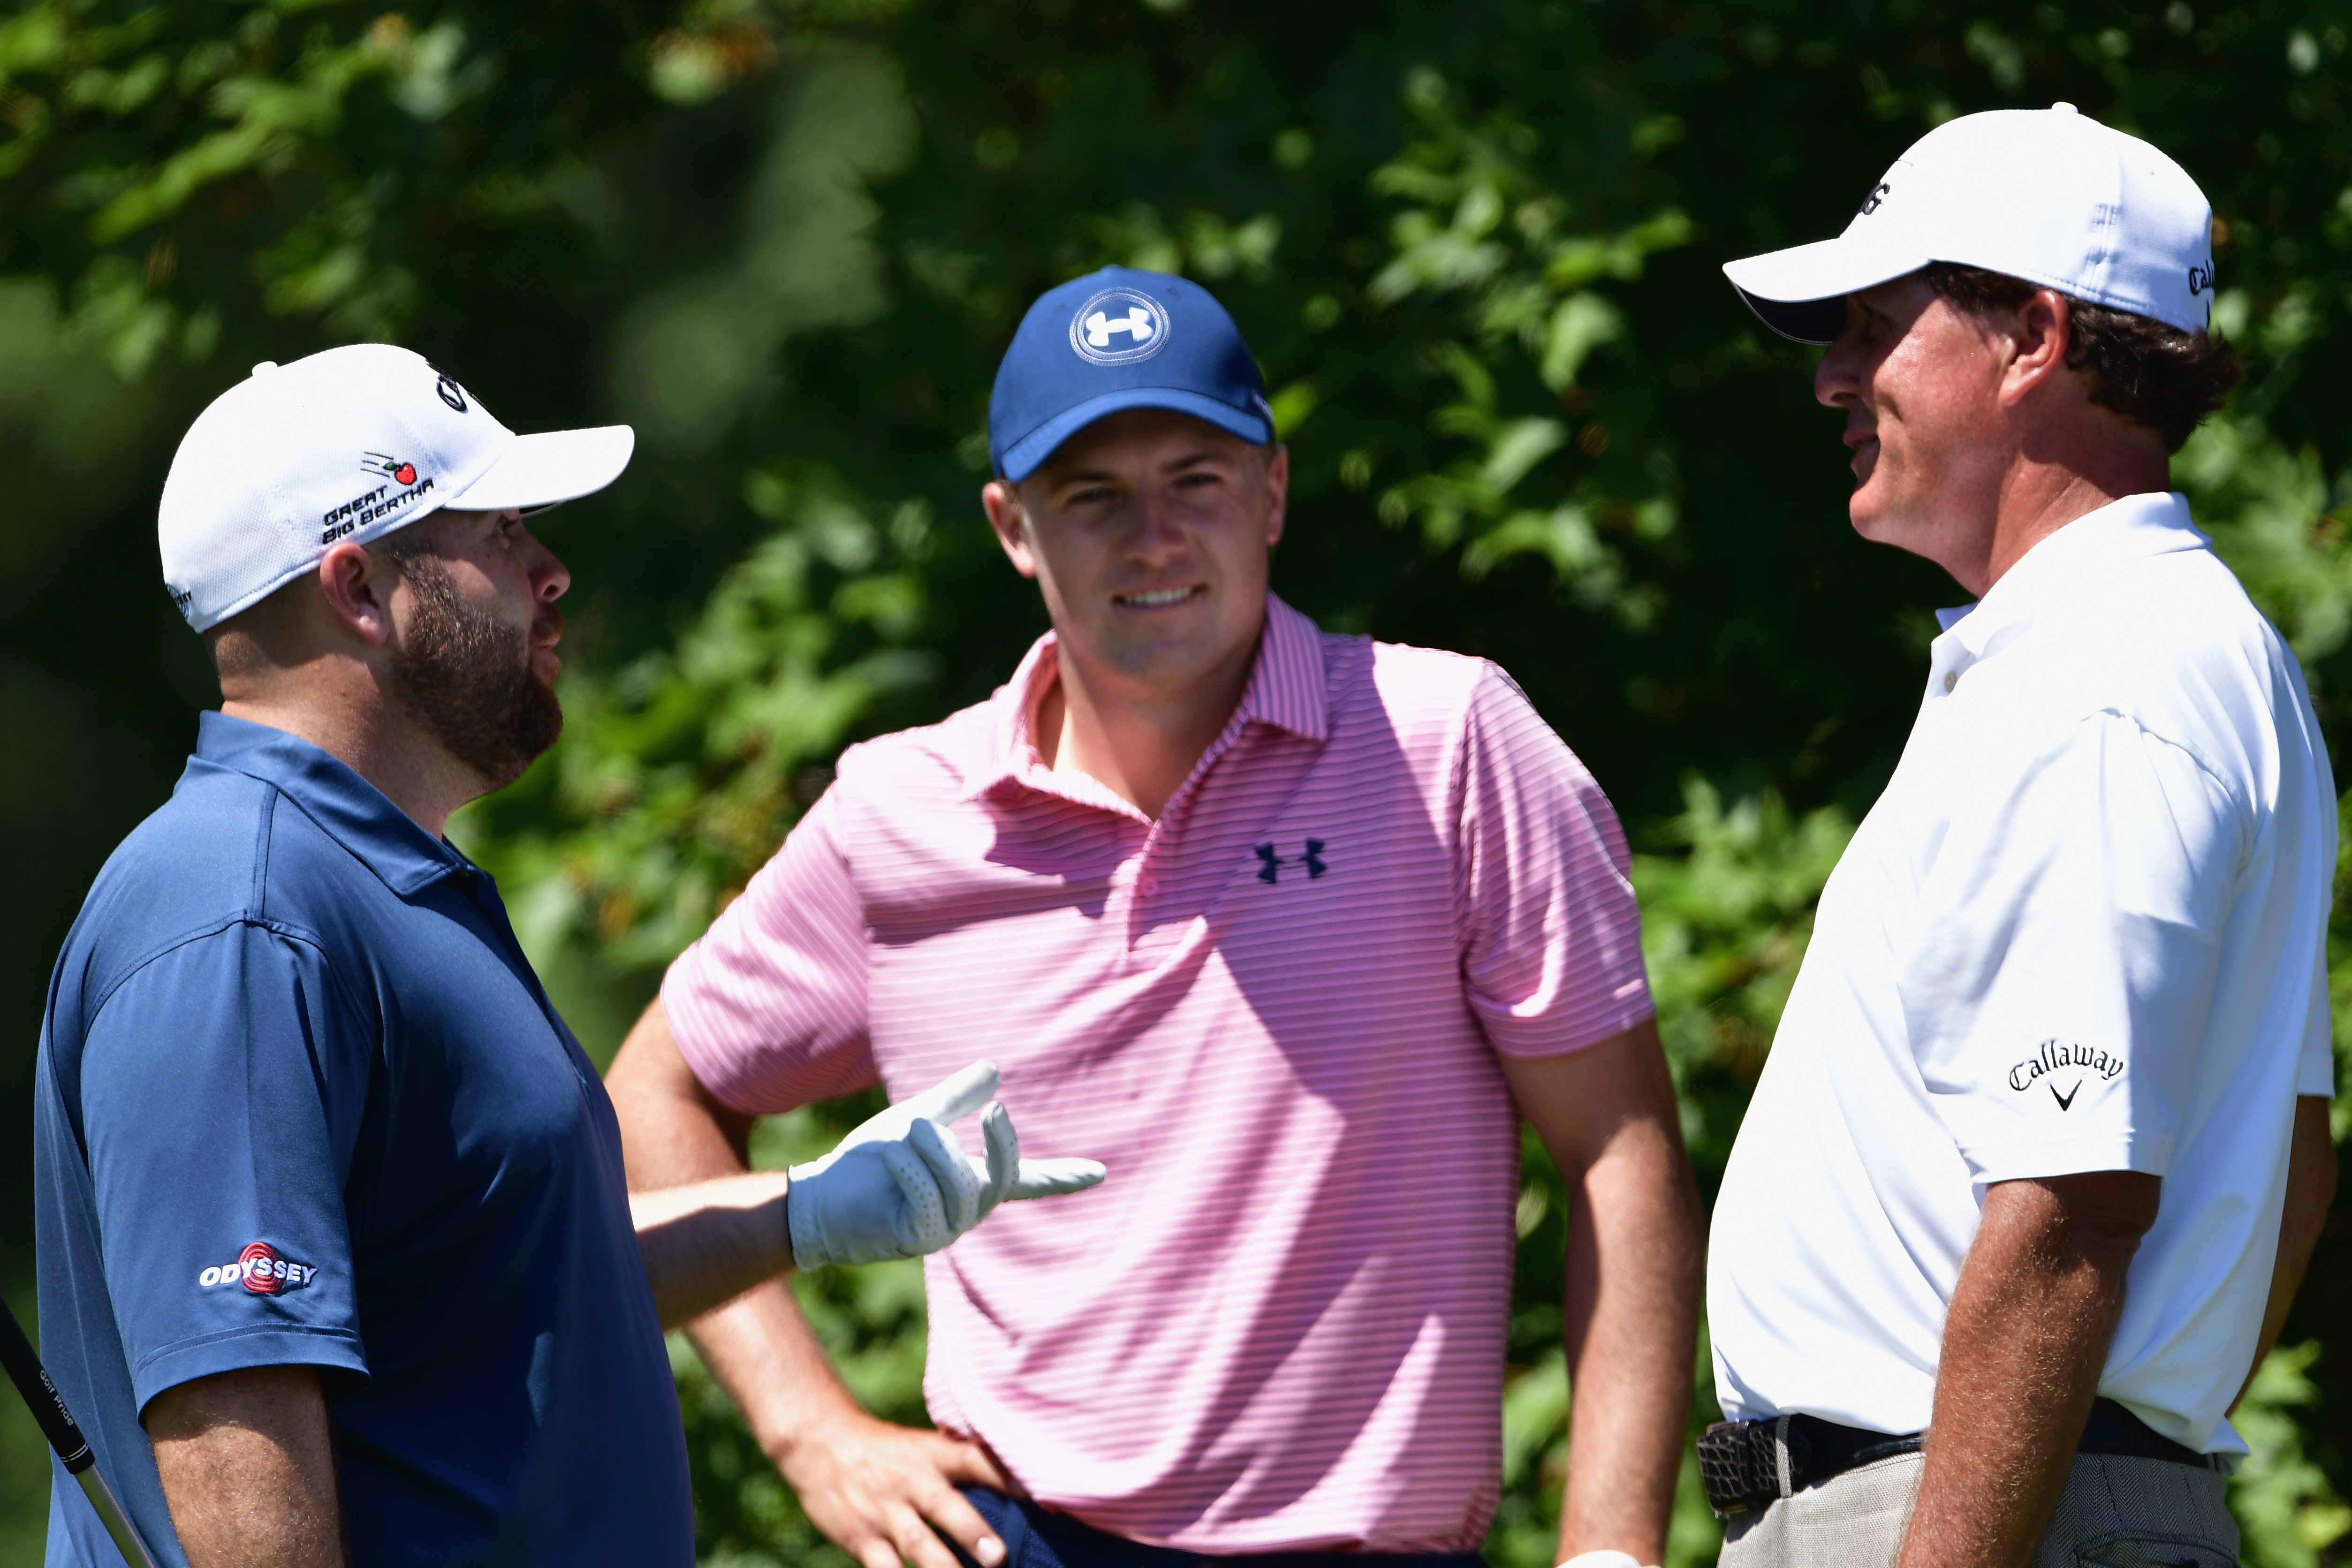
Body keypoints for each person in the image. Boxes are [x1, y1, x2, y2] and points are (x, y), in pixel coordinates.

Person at [606, 265, 1704, 1568]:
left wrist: (1611, 1552)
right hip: (1025, 1541)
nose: (1155, 537)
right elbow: (654, 1098)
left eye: (1197, 478)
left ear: (1274, 492)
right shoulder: (901, 814)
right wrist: (811, 1430)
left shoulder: (1447, 744)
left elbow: (1621, 1150)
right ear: (1015, 529)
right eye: (1093, 497)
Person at [33, 345, 1099, 1568]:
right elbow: (236, 1411)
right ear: (360, 590)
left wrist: (800, 1214)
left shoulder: (378, 885)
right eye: (497, 535)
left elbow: (509, 1296)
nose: (550, 574)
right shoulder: (237, 914)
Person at [1701, 105, 2339, 1566]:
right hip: (2037, 1501)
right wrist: (2139, 1463)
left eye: (1874, 324)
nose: (1834, 382)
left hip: (1965, 1516)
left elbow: (2071, 1214)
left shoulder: (2105, 672)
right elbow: (2296, 1160)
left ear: (2033, 337)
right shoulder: (2159, 652)